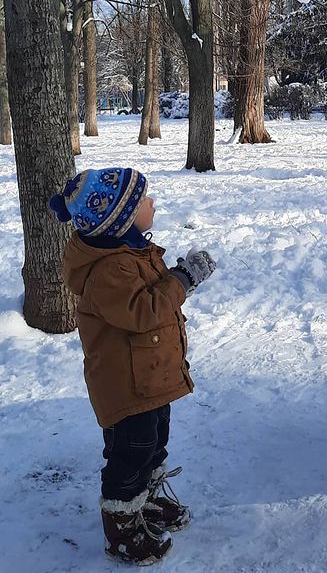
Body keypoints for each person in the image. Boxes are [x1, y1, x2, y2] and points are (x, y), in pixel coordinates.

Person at [49, 167, 216, 565]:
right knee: (131, 452)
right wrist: (183, 278)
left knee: (154, 441)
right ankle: (121, 525)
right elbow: (144, 312)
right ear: (119, 219)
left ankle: (147, 500)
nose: (152, 203)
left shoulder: (130, 251)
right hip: (126, 384)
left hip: (148, 376)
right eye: (143, 201)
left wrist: (175, 275)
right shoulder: (110, 270)